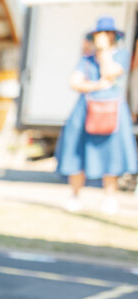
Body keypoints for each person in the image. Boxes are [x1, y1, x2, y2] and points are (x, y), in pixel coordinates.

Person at [56, 15, 138, 215]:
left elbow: (110, 72)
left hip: (112, 110)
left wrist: (104, 52)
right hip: (86, 110)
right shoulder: (86, 59)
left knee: (112, 154)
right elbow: (74, 82)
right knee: (78, 152)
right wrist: (95, 85)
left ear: (111, 36)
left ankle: (110, 197)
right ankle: (75, 195)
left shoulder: (121, 55)